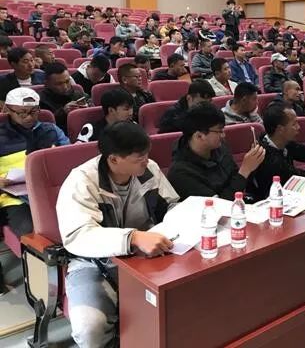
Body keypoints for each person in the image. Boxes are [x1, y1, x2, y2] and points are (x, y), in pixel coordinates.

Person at [57, 122, 179, 347]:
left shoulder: (148, 170)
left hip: (144, 256)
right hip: (95, 263)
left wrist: (186, 217)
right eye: (139, 157)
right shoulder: (82, 180)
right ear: (113, 159)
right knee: (90, 327)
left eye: (147, 154)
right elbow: (78, 235)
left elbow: (171, 205)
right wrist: (132, 237)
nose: (146, 161)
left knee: (181, 304)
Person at [0, 88, 69, 254]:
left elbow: (69, 158)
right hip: (15, 196)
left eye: (33, 111)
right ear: (8, 109)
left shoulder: (51, 130)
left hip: (51, 190)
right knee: (29, 230)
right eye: (22, 113)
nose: (29, 117)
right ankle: (41, 265)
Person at [168, 102, 265, 201]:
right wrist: (245, 170)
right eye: (219, 131)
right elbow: (217, 205)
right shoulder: (180, 173)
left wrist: (252, 164)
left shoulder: (219, 147)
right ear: (199, 136)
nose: (223, 135)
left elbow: (236, 179)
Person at [249, 102, 305, 199]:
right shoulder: (270, 159)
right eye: (294, 124)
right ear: (280, 129)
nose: (298, 127)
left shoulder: (278, 140)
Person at [39, 62, 90, 133]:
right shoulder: (41, 101)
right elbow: (45, 127)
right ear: (47, 84)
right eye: (59, 84)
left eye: (67, 81)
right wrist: (63, 112)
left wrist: (88, 108)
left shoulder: (78, 94)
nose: (65, 87)